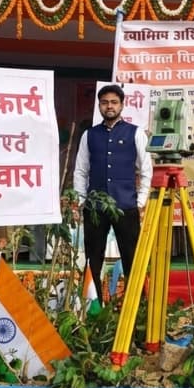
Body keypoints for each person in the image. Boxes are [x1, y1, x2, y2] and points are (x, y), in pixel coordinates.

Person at [72, 84, 153, 298]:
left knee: (132, 259)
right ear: (99, 106)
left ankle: (136, 307)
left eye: (114, 102)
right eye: (105, 102)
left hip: (126, 206)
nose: (109, 106)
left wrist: (140, 201)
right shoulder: (89, 135)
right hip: (95, 208)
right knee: (93, 260)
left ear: (122, 105)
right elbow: (80, 170)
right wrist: (81, 200)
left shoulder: (135, 133)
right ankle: (94, 307)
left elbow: (146, 170)